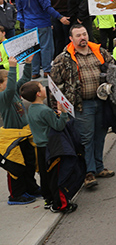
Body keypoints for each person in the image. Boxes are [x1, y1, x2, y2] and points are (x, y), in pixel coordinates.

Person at [50, 24, 116, 189]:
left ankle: (99, 167)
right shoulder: (63, 58)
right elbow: (55, 85)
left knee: (100, 136)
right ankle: (88, 172)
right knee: (85, 138)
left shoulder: (100, 52)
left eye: (84, 34)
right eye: (78, 35)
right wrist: (56, 107)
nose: (83, 38)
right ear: (71, 39)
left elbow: (114, 70)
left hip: (101, 101)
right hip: (81, 105)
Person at [20, 80, 74, 213]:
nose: (44, 88)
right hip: (50, 147)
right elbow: (58, 126)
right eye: (41, 87)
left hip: (40, 146)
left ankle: (48, 198)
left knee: (45, 175)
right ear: (38, 94)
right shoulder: (44, 110)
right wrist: (63, 113)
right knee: (55, 175)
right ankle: (59, 204)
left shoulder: (32, 108)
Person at [0, 56, 38, 205]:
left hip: (24, 134)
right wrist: (12, 67)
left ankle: (31, 188)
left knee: (29, 163)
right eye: (7, 80)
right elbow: (10, 89)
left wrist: (28, 63)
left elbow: (24, 82)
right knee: (16, 167)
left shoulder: (13, 91)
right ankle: (16, 195)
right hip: (12, 138)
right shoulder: (3, 97)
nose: (11, 82)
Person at [20, 0, 70, 78]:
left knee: (33, 49)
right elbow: (47, 8)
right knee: (46, 47)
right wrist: (60, 17)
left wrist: (24, 22)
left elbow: (19, 10)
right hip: (42, 23)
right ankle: (47, 70)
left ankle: (34, 72)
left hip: (28, 25)